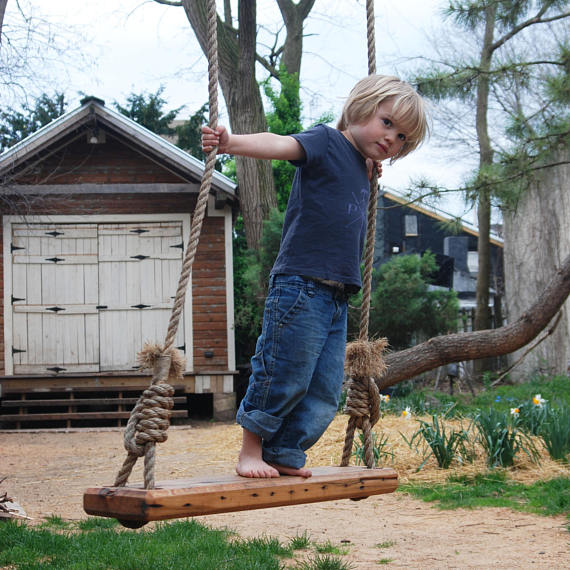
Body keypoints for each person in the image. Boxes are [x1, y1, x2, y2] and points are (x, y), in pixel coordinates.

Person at [202, 74, 429, 479]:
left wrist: (368, 163)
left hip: (337, 295)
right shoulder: (327, 142)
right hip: (301, 285)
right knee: (283, 371)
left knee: (324, 388)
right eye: (387, 122)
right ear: (360, 106)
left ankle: (284, 450)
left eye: (402, 138)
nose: (391, 138)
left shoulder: (364, 165)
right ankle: (251, 450)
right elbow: (281, 143)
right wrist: (230, 143)